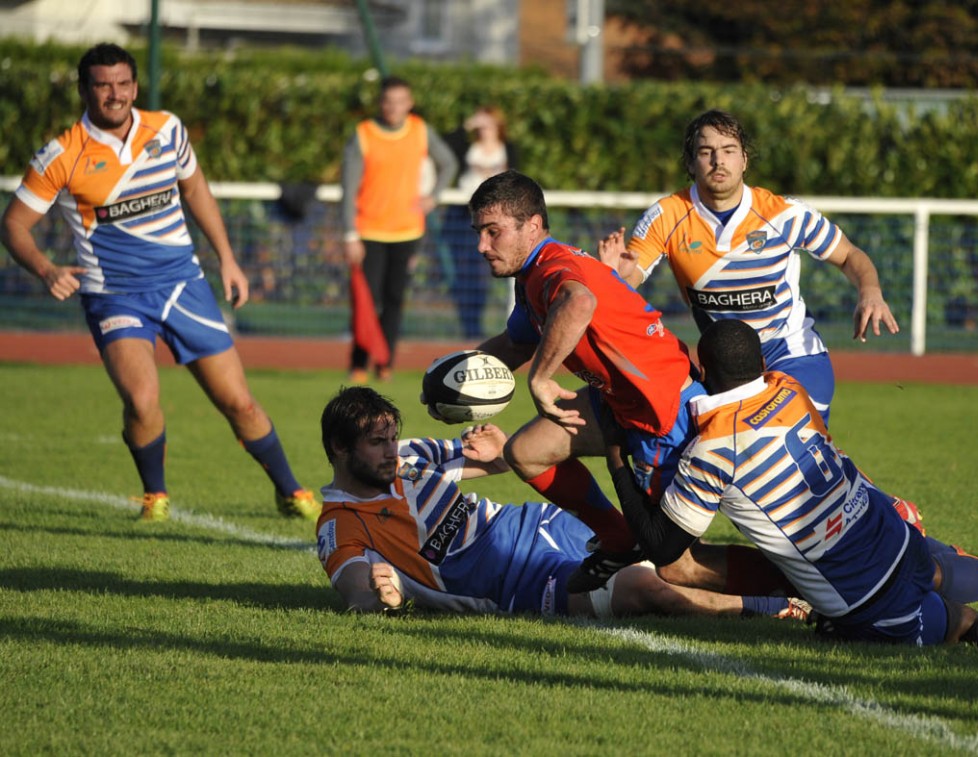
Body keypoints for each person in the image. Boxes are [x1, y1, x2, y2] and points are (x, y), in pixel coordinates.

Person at [0, 43, 318, 523]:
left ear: (135, 86)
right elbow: (13, 224)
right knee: (142, 400)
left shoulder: (167, 129)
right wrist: (47, 270)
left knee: (240, 401)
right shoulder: (60, 154)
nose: (115, 94)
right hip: (115, 295)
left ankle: (291, 491)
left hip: (183, 285)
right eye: (103, 85)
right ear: (84, 89)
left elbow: (195, 189)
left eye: (123, 84)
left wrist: (228, 259)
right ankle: (155, 496)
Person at [605, 319, 978, 647]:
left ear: (704, 370)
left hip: (863, 596)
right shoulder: (789, 389)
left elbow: (663, 547)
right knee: (938, 578)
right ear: (761, 365)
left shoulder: (715, 449)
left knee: (965, 627)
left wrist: (616, 458)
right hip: (892, 534)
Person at [316, 385, 810, 622]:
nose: (390, 451)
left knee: (673, 553)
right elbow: (359, 593)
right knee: (648, 588)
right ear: (340, 448)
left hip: (544, 522)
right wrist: (384, 596)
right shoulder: (340, 524)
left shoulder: (410, 455)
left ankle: (818, 584)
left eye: (391, 438)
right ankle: (782, 609)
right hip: (520, 579)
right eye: (376, 444)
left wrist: (496, 445)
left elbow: (496, 460)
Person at [462, 169, 708, 593]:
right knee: (525, 451)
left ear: (533, 226)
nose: (482, 245)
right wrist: (453, 374)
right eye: (479, 233)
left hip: (664, 409)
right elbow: (516, 343)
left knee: (675, 568)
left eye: (493, 232)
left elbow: (579, 302)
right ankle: (618, 540)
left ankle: (780, 598)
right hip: (617, 403)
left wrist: (540, 380)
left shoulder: (553, 267)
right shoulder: (531, 277)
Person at [599, 109, 900, 426]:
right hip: (724, 365)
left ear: (744, 160)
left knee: (783, 444)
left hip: (792, 353)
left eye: (729, 151)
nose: (718, 161)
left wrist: (870, 293)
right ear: (690, 163)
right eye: (706, 152)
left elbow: (850, 255)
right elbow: (630, 276)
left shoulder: (784, 213)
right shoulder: (667, 215)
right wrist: (613, 275)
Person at [340, 75, 457, 383]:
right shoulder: (364, 134)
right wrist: (350, 233)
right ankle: (359, 363)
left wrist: (434, 197)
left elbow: (449, 163)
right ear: (381, 103)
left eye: (400, 101)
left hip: (407, 232)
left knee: (394, 300)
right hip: (369, 232)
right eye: (388, 101)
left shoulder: (420, 131)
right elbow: (349, 188)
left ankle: (385, 363)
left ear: (410, 103)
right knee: (368, 301)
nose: (393, 107)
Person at [441, 105, 519, 339]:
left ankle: (494, 327)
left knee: (485, 274)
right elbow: (443, 146)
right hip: (464, 219)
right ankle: (469, 327)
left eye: (489, 123)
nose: (485, 129)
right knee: (465, 275)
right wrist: (467, 125)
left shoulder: (509, 149)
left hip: (496, 220)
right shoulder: (468, 147)